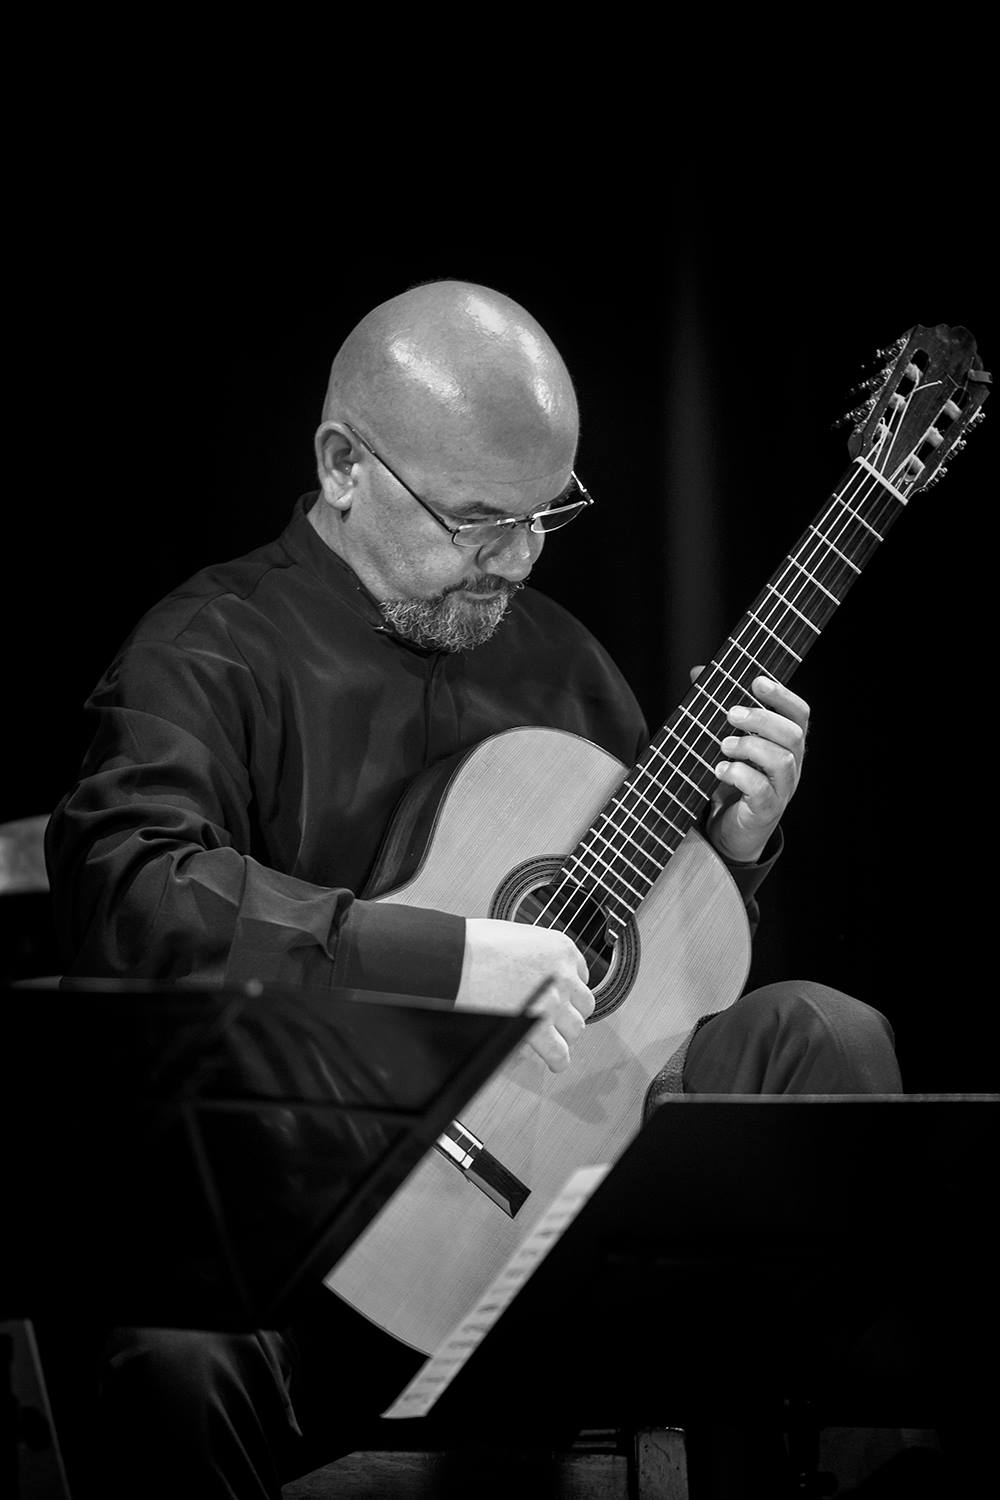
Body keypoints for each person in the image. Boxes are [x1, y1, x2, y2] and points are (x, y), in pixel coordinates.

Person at [42, 280, 903, 1497]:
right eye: (477, 520)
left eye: (547, 512)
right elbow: (135, 895)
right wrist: (446, 962)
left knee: (825, 1039)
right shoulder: (206, 650)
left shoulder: (559, 659)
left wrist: (737, 847)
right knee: (175, 1356)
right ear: (344, 465)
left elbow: (655, 985)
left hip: (566, 1244)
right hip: (313, 1253)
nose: (518, 557)